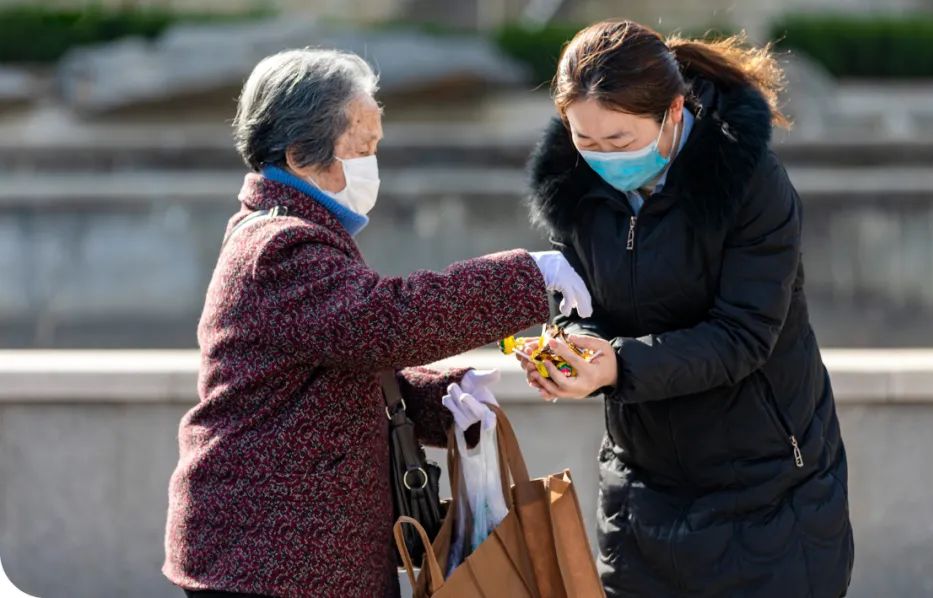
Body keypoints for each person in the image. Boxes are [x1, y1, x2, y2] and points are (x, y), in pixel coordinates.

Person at [162, 48, 592, 598]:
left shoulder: (286, 230)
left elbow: (337, 372)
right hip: (270, 559)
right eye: (362, 148)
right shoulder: (280, 245)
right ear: (299, 155)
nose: (372, 162)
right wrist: (527, 275)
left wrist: (448, 399)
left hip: (290, 554)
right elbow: (382, 322)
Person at [518, 20, 854, 597]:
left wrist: (619, 365)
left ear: (674, 112)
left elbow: (744, 335)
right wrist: (571, 347)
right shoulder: (571, 184)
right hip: (641, 487)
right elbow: (577, 299)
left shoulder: (748, 183)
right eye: (584, 140)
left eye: (619, 142)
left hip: (769, 489)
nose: (600, 159)